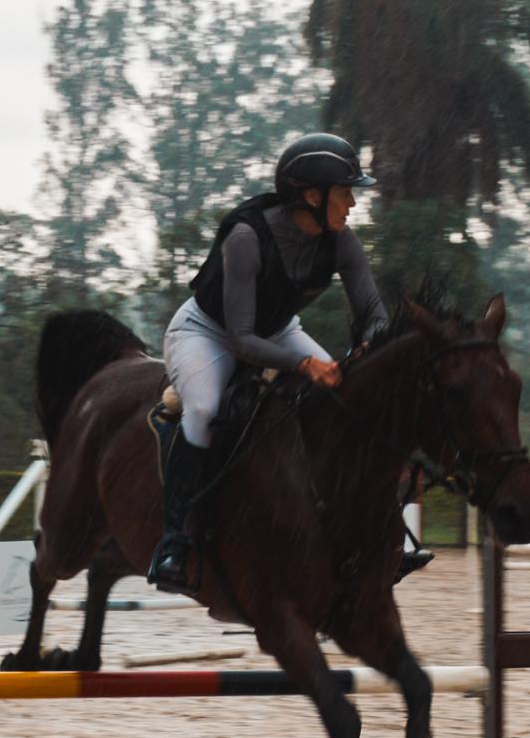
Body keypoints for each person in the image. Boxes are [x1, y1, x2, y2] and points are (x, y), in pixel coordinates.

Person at [150, 132, 413, 594]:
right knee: (206, 409)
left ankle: (370, 533)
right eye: (345, 191)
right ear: (312, 196)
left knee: (344, 403)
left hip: (275, 329)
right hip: (207, 332)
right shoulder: (247, 238)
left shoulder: (342, 242)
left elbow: (373, 314)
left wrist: (373, 343)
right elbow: (241, 340)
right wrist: (303, 365)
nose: (352, 202)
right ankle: (174, 541)